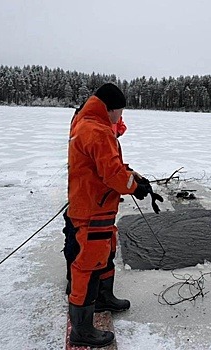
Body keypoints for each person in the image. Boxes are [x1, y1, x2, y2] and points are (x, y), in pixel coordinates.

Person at [65, 83, 156, 347]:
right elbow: (111, 174)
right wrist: (134, 187)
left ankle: (104, 298)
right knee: (87, 266)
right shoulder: (96, 129)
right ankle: (82, 329)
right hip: (92, 209)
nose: (120, 117)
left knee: (105, 253)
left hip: (97, 206)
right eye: (120, 111)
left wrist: (133, 175)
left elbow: (108, 165)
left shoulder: (90, 124)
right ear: (110, 108)